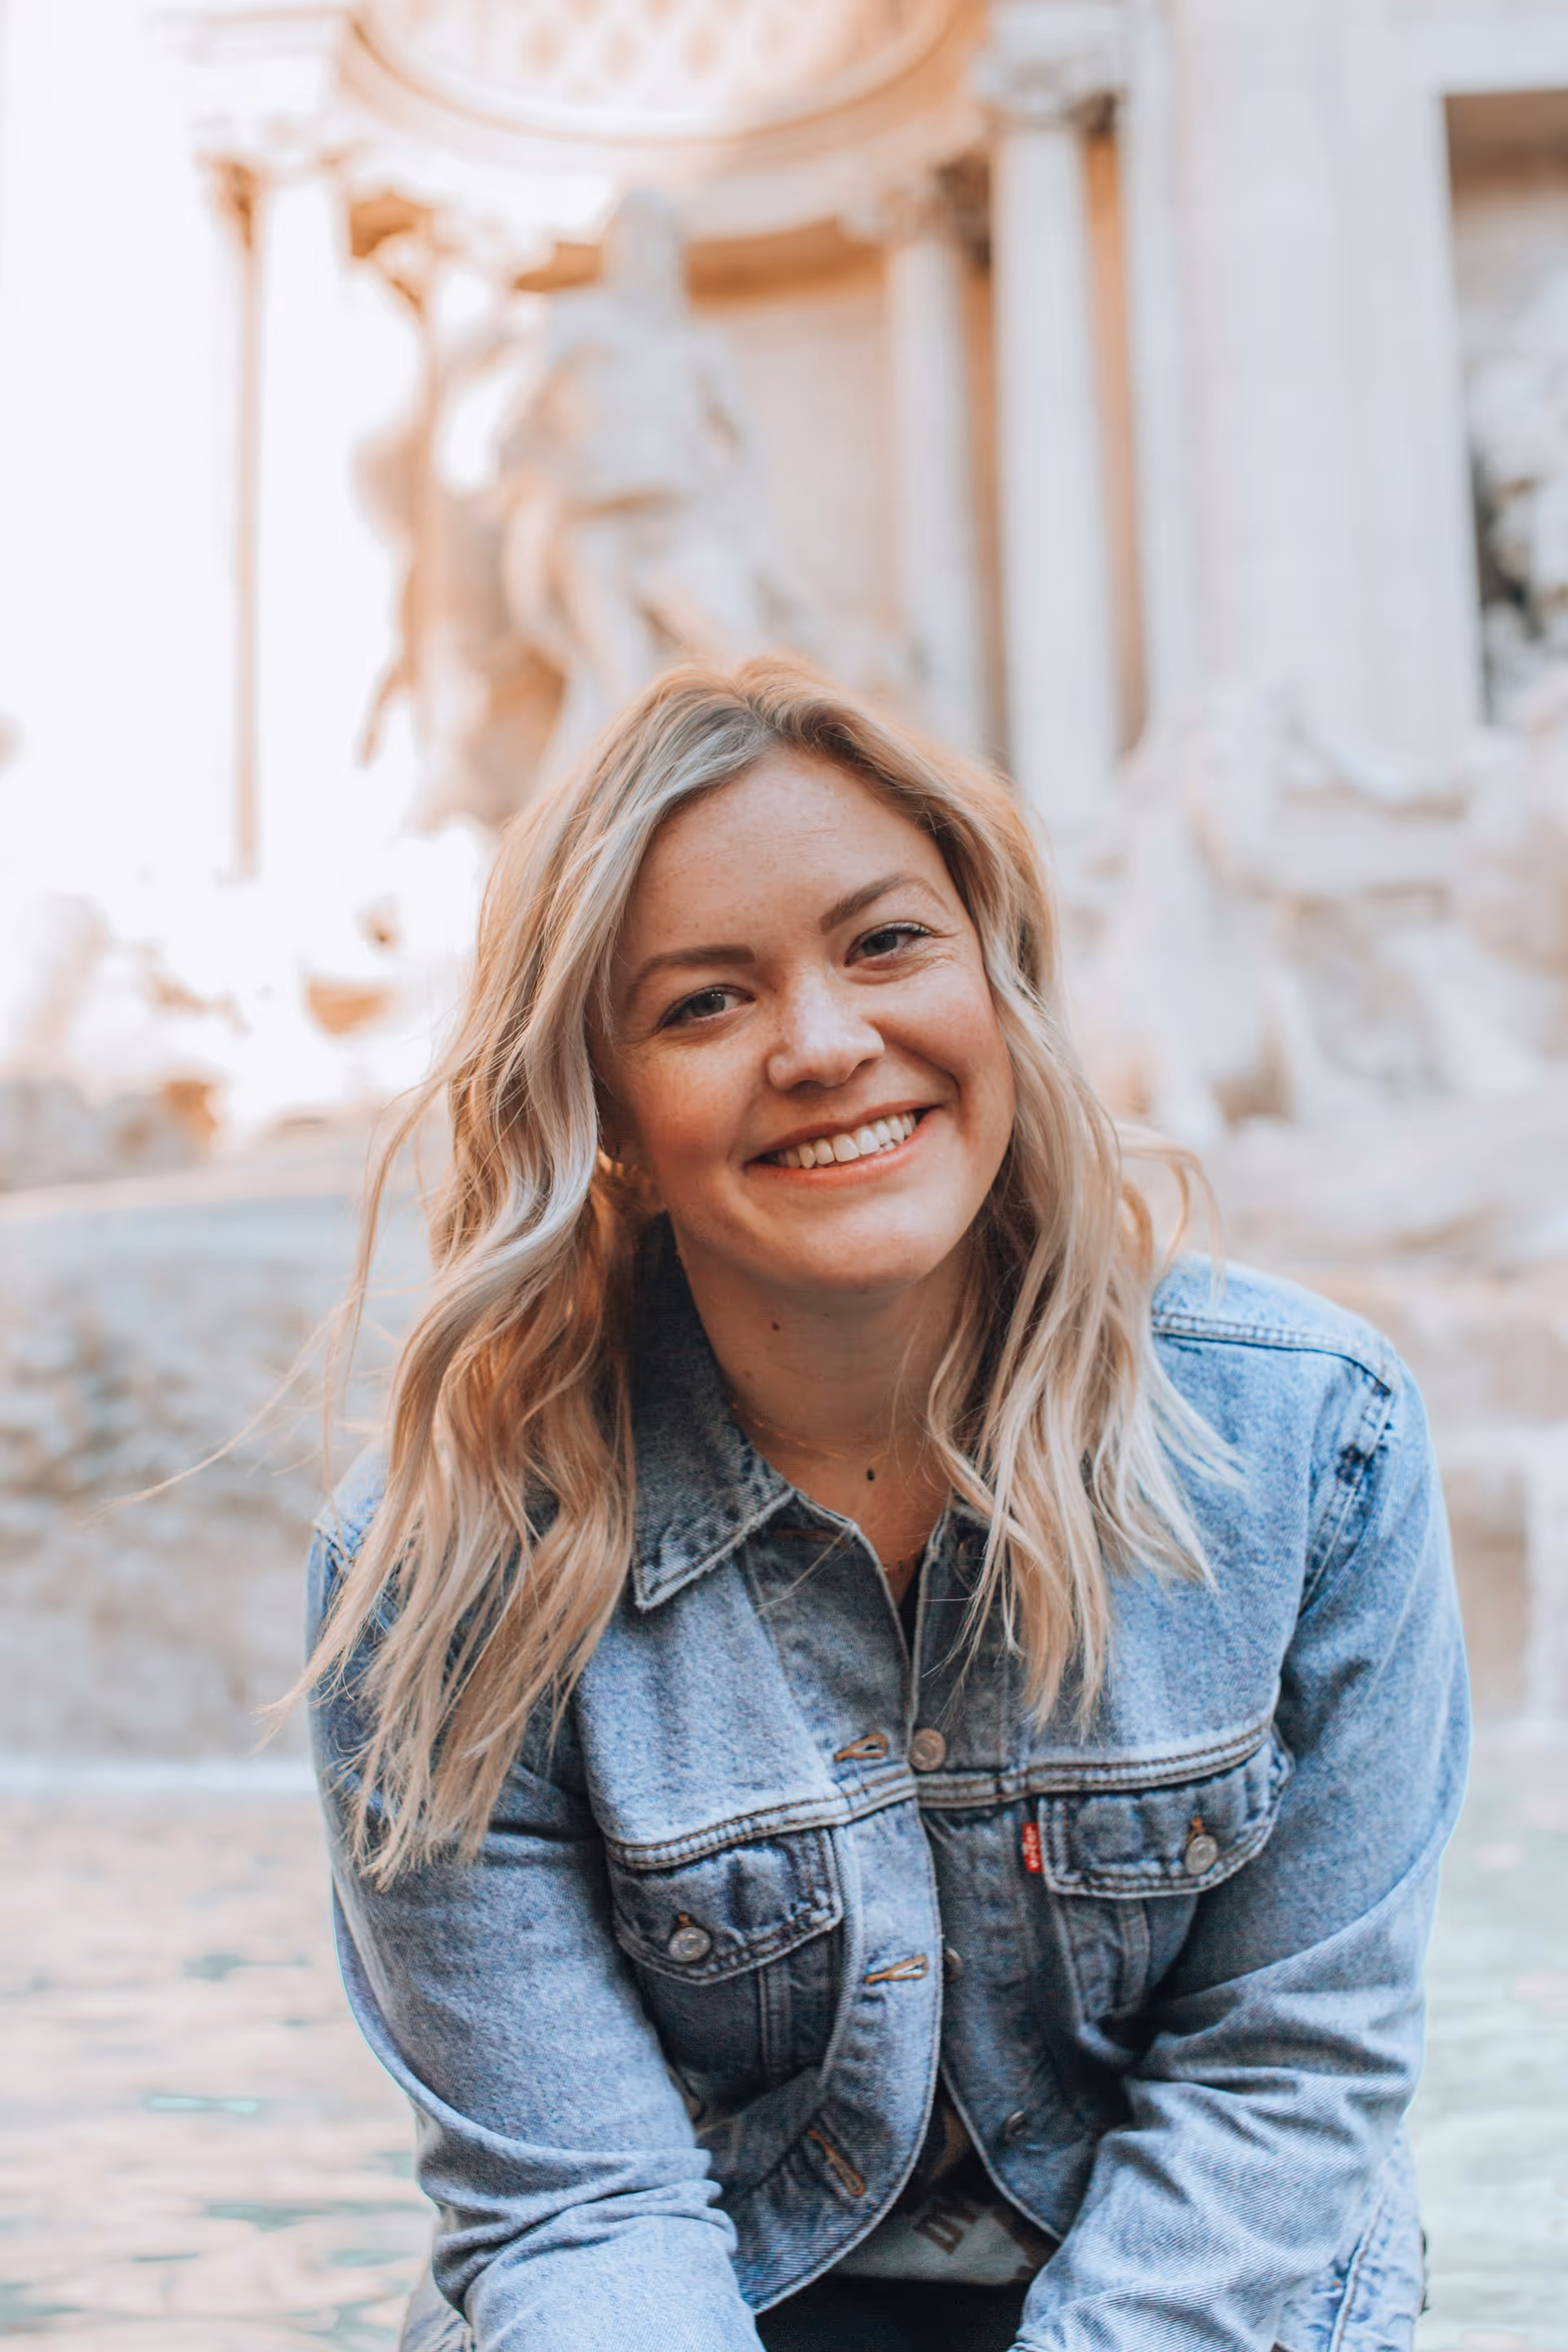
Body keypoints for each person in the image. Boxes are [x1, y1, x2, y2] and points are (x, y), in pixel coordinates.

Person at [300, 658, 1468, 2352]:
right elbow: (578, 2208)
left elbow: (1280, 2081)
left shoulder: (1312, 1442)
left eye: (887, 944)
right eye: (705, 1003)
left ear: (999, 978)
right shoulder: (444, 1571)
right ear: (606, 1114)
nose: (826, 1046)